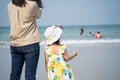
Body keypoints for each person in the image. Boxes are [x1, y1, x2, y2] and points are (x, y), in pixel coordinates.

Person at [8, 0, 43, 80]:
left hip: (15, 44)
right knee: (30, 76)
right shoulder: (32, 4)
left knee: (14, 75)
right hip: (30, 43)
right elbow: (38, 15)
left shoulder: (10, 5)